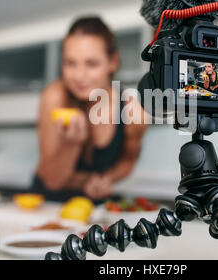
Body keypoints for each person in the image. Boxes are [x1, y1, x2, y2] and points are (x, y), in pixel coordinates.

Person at [31, 16, 147, 202]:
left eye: (91, 64)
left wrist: (105, 180)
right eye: (70, 63)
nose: (79, 75)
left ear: (113, 62)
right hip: (47, 203)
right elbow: (52, 180)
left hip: (94, 206)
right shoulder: (55, 96)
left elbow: (127, 162)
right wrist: (71, 144)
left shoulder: (133, 111)